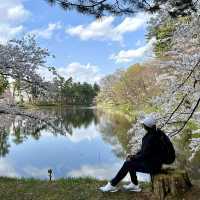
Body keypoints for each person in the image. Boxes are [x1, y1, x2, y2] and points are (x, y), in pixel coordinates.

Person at [99, 116, 175, 192]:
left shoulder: (151, 138)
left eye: (144, 125)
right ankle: (134, 184)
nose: (143, 126)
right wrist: (134, 156)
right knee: (130, 161)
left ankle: (112, 185)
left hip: (152, 166)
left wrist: (133, 157)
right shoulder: (158, 133)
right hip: (155, 163)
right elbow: (146, 151)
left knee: (128, 163)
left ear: (146, 127)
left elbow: (144, 155)